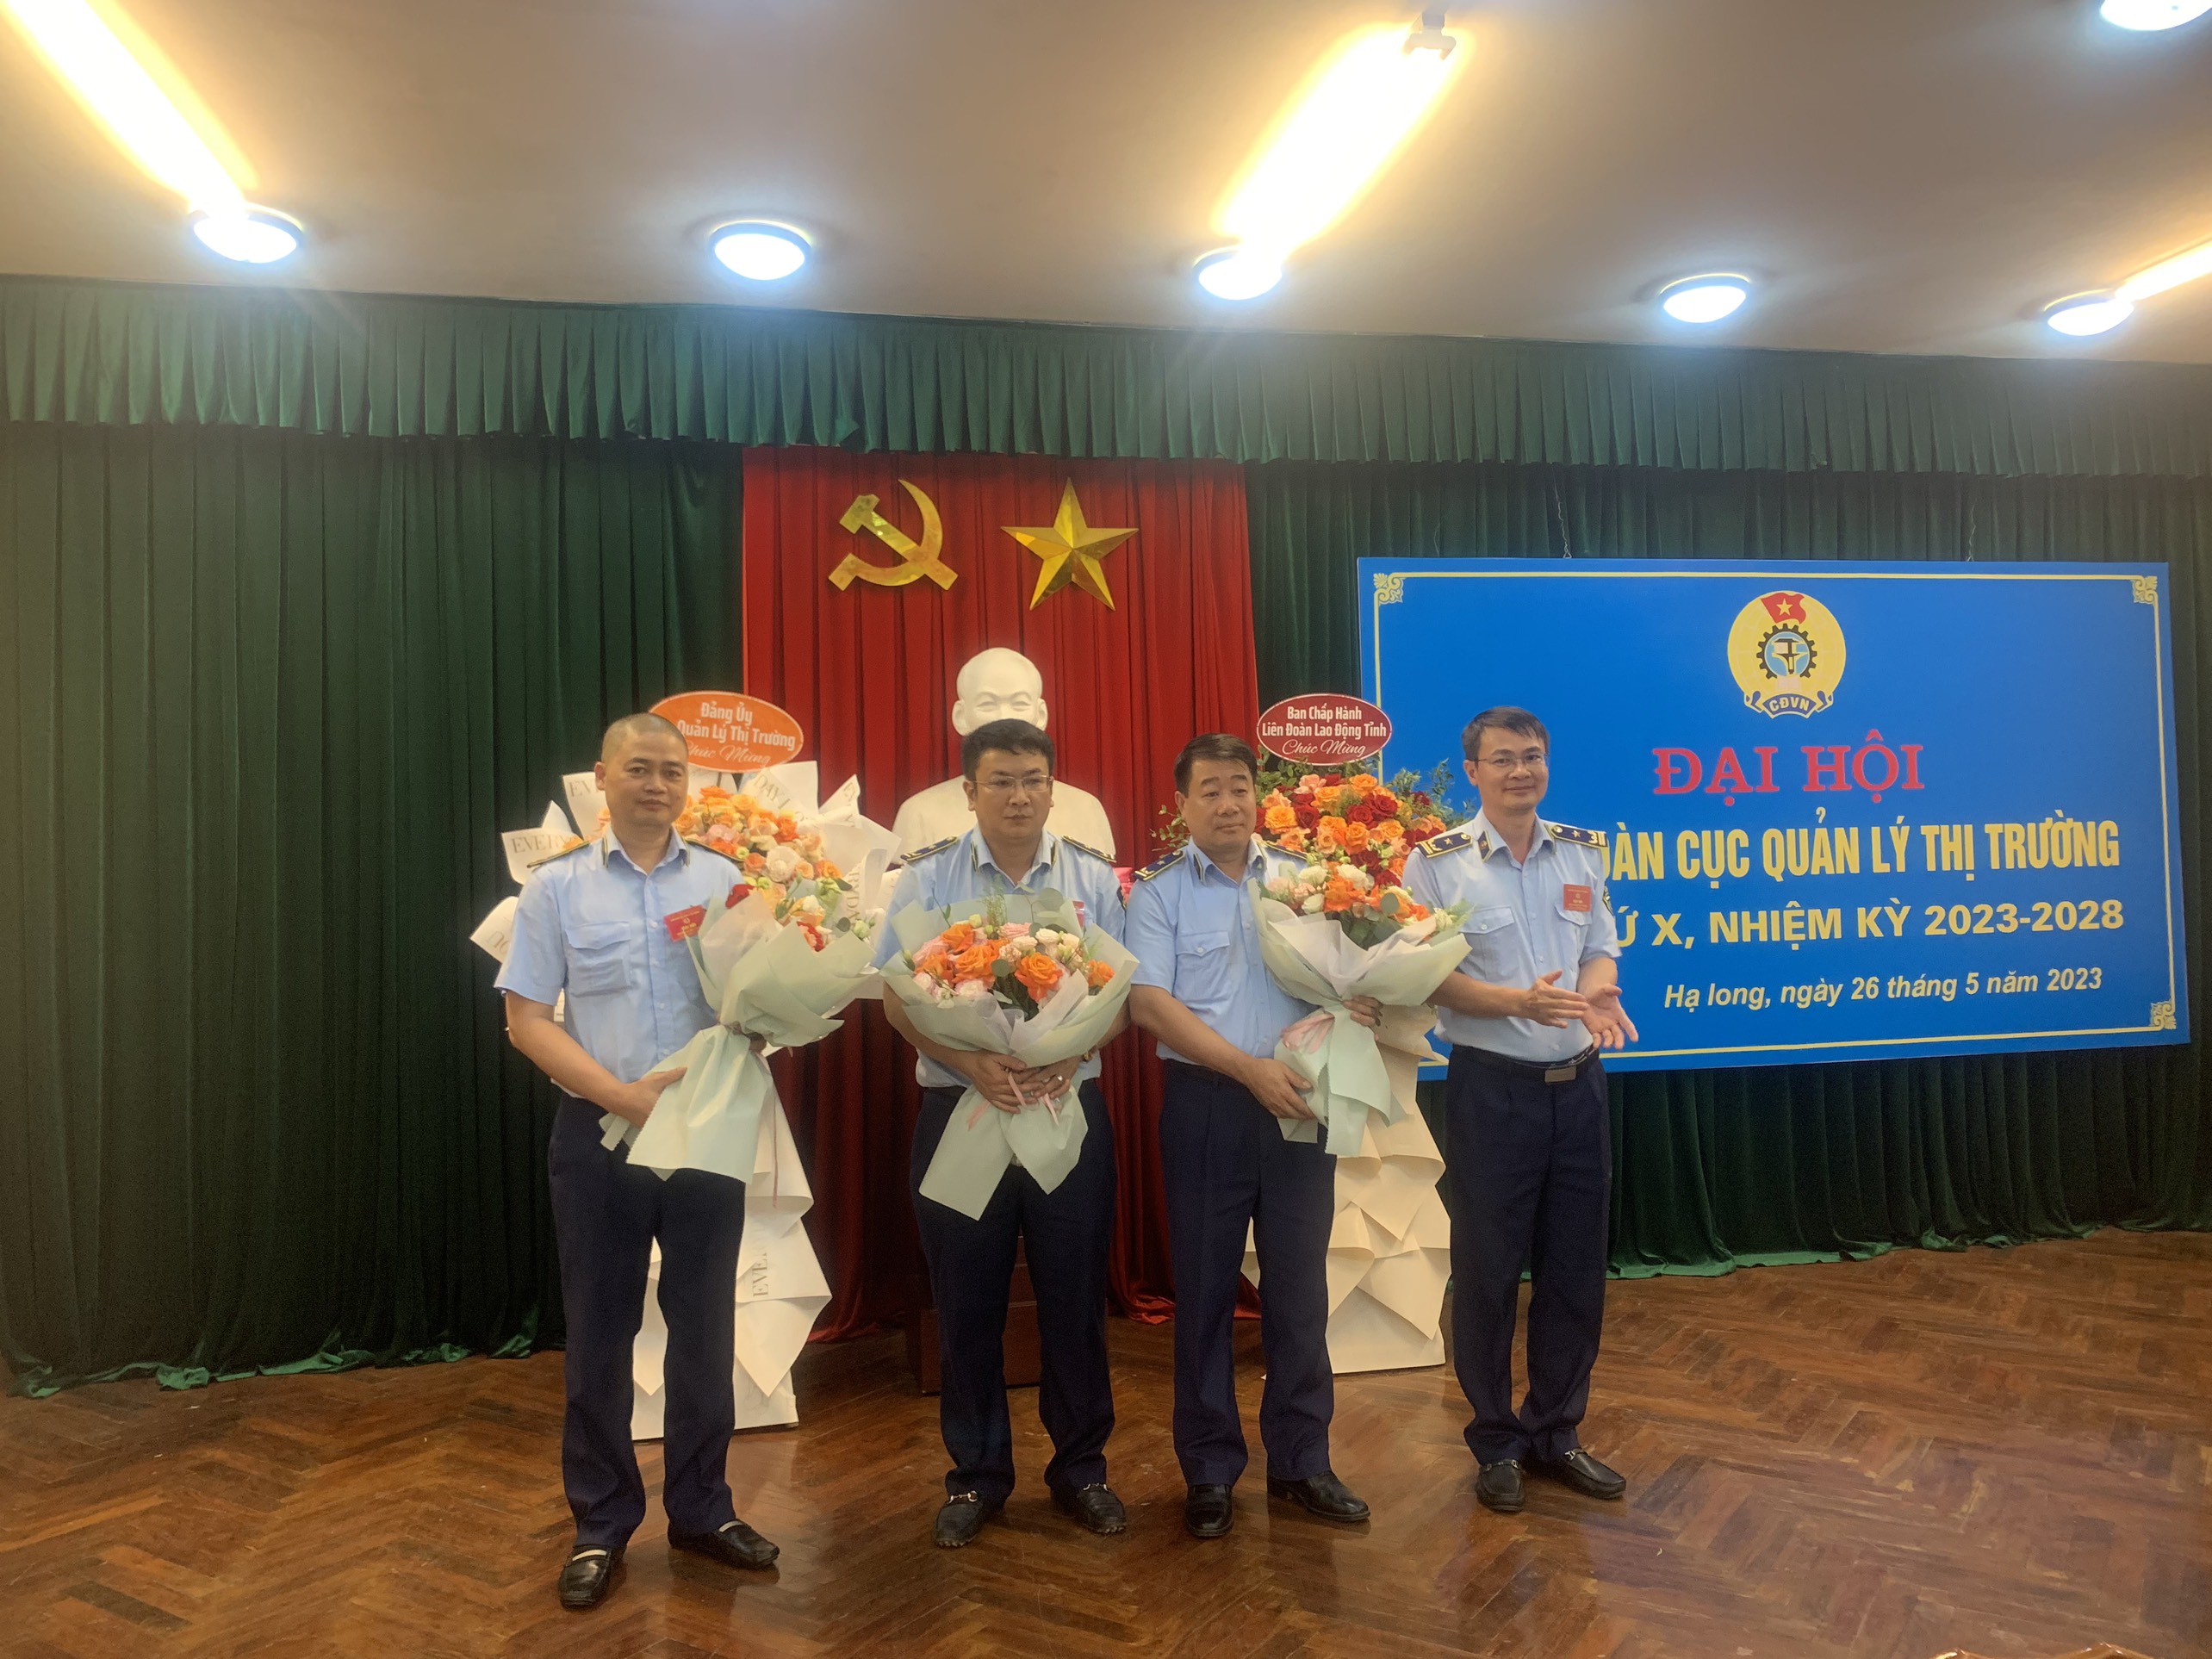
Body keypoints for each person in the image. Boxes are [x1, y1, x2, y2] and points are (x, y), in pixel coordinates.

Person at [496, 712, 780, 1611]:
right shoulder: (557, 889)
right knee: (599, 1334)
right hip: (600, 1137)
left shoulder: (727, 882)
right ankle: (601, 1522)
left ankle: (702, 1510)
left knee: (704, 1331)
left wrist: (765, 1031)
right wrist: (622, 1098)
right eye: (639, 769)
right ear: (603, 778)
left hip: (705, 1136)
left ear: (689, 783)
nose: (657, 785)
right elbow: (527, 1021)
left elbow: (756, 1003)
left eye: (671, 771)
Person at [875, 717, 1132, 1549]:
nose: (1019, 796)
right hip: (962, 1109)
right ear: (969, 790)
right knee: (967, 1300)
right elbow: (895, 999)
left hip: (1066, 1110)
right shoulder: (925, 878)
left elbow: (1124, 998)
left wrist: (1075, 1051)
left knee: (1074, 1298)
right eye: (1001, 781)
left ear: (1053, 787)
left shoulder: (1093, 876)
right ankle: (976, 1475)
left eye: (1033, 780)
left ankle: (1082, 1469)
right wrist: (967, 1059)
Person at [1123, 733, 1379, 1540]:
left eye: (1240, 787)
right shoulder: (1158, 895)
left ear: (1257, 795)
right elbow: (1149, 1005)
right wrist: (1246, 1070)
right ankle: (1208, 1470)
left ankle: (1303, 1462)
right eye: (1210, 790)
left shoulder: (1308, 882)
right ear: (1182, 805)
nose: (1228, 803)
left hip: (1301, 1102)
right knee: (1203, 1292)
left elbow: (1348, 977)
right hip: (1208, 1106)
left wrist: (1364, 1002)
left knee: (1299, 1291)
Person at [1402, 706, 1637, 1517]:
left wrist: (1598, 990)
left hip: (1580, 1088)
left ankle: (1556, 1432)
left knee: (1575, 1271)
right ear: (1472, 772)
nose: (1520, 772)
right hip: (1492, 1090)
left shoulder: (1581, 851)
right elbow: (1425, 977)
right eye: (1502, 759)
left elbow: (1599, 946)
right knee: (1489, 1272)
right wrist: (1517, 1003)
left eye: (1532, 757)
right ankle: (1496, 1441)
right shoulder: (1437, 865)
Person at [891, 647, 1117, 856]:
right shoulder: (919, 814)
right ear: (960, 716)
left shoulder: (1086, 810)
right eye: (987, 704)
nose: (1004, 717)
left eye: (1019, 703)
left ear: (1041, 714)